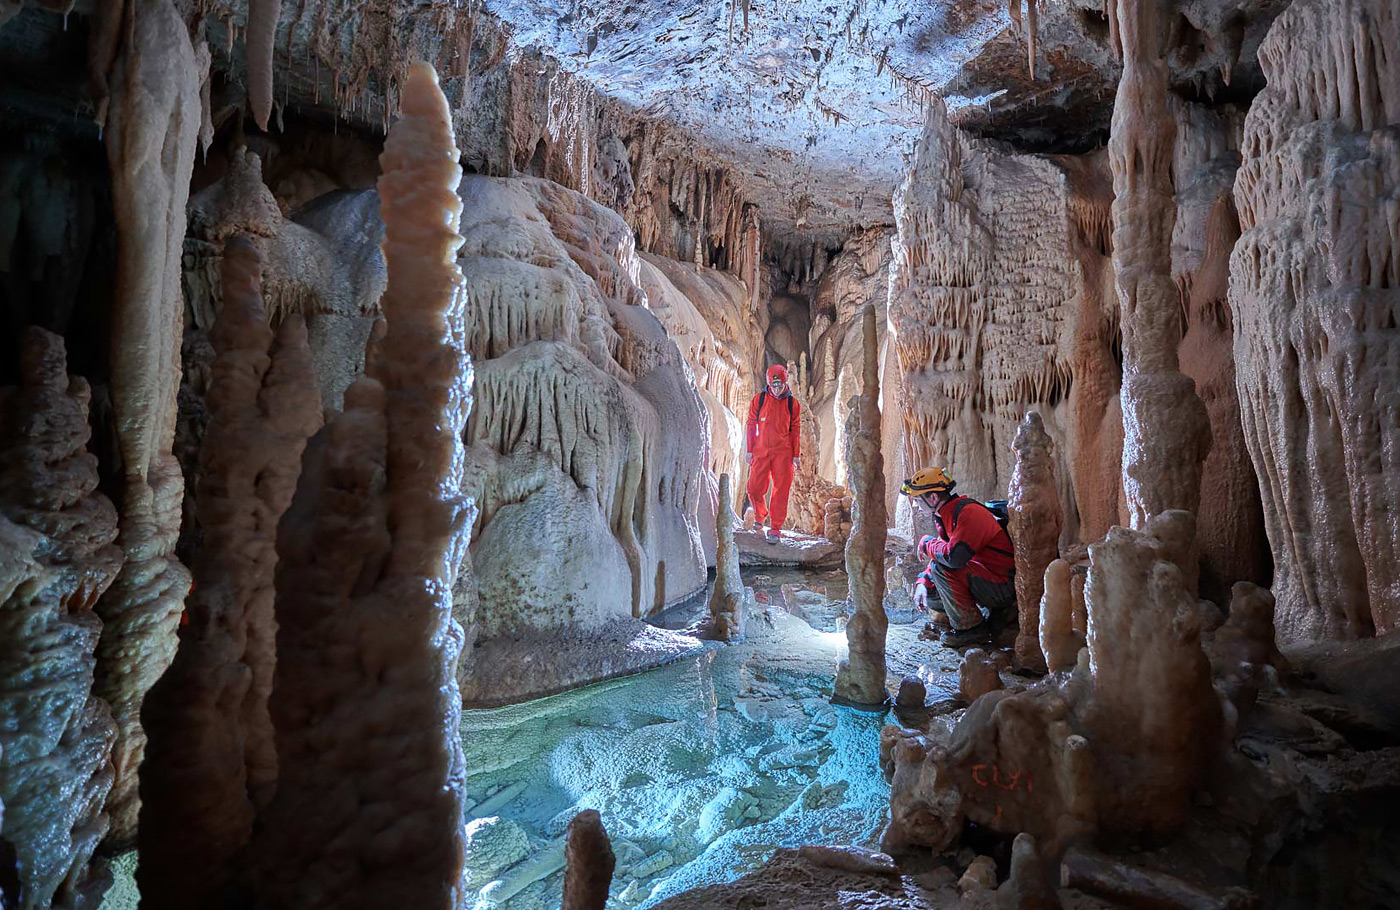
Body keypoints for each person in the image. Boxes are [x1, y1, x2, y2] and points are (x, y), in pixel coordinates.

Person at [899, 467, 1016, 646]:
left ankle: (972, 629)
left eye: (917, 500)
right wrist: (923, 582)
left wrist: (925, 543)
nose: (915, 505)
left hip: (1003, 586)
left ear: (933, 498)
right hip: (985, 578)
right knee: (930, 592)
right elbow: (943, 553)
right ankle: (980, 617)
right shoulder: (947, 515)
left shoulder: (969, 513)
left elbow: (953, 558)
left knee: (941, 568)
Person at [745, 364, 801, 543]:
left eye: (780, 385)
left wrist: (796, 455)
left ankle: (775, 528)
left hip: (783, 453)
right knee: (753, 488)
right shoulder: (759, 400)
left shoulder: (792, 404)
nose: (776, 389)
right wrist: (749, 450)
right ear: (769, 384)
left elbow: (795, 430)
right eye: (773, 385)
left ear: (785, 383)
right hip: (761, 450)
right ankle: (760, 515)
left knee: (780, 490)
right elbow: (751, 424)